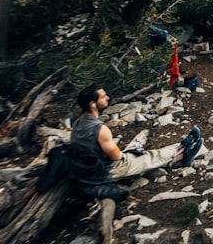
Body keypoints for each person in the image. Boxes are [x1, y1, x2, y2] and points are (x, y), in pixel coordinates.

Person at [68, 85, 204, 199]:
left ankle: (180, 148)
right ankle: (181, 154)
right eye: (103, 97)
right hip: (109, 169)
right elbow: (115, 156)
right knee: (149, 157)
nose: (107, 98)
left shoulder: (78, 123)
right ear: (93, 104)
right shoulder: (100, 129)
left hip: (88, 167)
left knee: (135, 153)